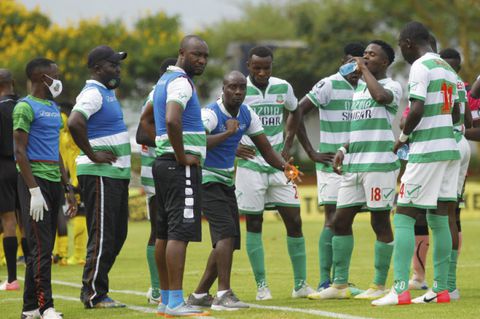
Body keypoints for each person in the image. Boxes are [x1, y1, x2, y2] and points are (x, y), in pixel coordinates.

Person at [186, 71, 301, 310]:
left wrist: (285, 167)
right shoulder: (210, 114)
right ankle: (224, 294)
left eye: (241, 88)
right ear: (223, 89)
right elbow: (195, 142)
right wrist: (227, 133)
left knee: (229, 240)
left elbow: (267, 150)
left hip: (226, 181)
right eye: (232, 87)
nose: (238, 92)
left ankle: (199, 294)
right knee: (226, 235)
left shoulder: (248, 114)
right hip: (207, 180)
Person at [373, 21, 461, 306]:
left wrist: (403, 137)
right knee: (440, 218)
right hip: (450, 150)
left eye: (401, 47)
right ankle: (443, 289)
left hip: (426, 151)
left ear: (409, 42)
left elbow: (418, 108)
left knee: (403, 214)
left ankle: (399, 290)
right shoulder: (447, 70)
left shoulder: (421, 67)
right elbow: (458, 113)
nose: (402, 52)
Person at [309, 40, 402, 300]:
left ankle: (378, 285)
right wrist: (343, 149)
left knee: (380, 222)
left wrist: (364, 71)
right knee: (340, 221)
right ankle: (339, 285)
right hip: (355, 164)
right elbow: (361, 127)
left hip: (379, 164)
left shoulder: (391, 85)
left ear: (385, 62)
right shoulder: (360, 88)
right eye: (365, 55)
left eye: (372, 55)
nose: (366, 58)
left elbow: (381, 98)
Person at [235, 45, 313, 300]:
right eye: (256, 68)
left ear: (272, 66)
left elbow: (296, 110)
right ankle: (262, 287)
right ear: (248, 65)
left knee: (295, 221)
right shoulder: (238, 89)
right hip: (250, 166)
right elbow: (218, 118)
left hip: (281, 166)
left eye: (266, 68)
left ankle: (301, 285)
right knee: (254, 224)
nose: (261, 72)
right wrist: (234, 146)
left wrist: (289, 142)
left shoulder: (283, 87)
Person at [148, 35, 210, 317]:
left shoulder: (161, 82)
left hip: (163, 165)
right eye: (197, 54)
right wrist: (183, 155)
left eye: (205, 56)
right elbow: (173, 119)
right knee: (178, 233)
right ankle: (174, 302)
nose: (202, 61)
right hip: (178, 167)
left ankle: (164, 299)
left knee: (163, 232)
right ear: (182, 53)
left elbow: (147, 119)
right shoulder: (181, 82)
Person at [296, 42, 364, 292]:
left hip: (358, 164)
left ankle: (341, 280)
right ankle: (326, 280)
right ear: (342, 62)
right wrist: (310, 151)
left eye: (361, 63)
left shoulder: (367, 88)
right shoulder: (328, 84)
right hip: (330, 167)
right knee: (332, 219)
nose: (356, 68)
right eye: (351, 63)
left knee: (346, 221)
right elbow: (297, 111)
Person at [14, 58, 77, 319]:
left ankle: (30, 308)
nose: (59, 80)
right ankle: (45, 306)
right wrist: (33, 190)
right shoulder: (24, 108)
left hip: (53, 181)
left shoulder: (52, 107)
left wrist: (68, 187)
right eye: (55, 75)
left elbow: (56, 152)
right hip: (34, 181)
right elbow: (19, 151)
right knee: (41, 248)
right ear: (43, 78)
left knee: (44, 247)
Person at [68, 45, 130, 309]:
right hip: (99, 174)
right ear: (96, 68)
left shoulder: (107, 92)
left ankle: (97, 287)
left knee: (117, 234)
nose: (117, 69)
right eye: (112, 65)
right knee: (104, 234)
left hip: (115, 174)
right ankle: (94, 294)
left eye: (118, 65)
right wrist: (92, 154)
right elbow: (74, 122)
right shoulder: (93, 93)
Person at [136, 57, 177, 304]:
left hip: (161, 169)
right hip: (157, 171)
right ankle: (156, 290)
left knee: (167, 231)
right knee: (160, 230)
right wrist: (175, 144)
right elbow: (143, 133)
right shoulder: (158, 95)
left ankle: (162, 289)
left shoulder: (162, 94)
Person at [0, 69, 20, 291]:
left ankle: (12, 279)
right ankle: (35, 274)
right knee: (26, 221)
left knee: (9, 222)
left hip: (3, 167)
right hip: (25, 167)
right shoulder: (24, 106)